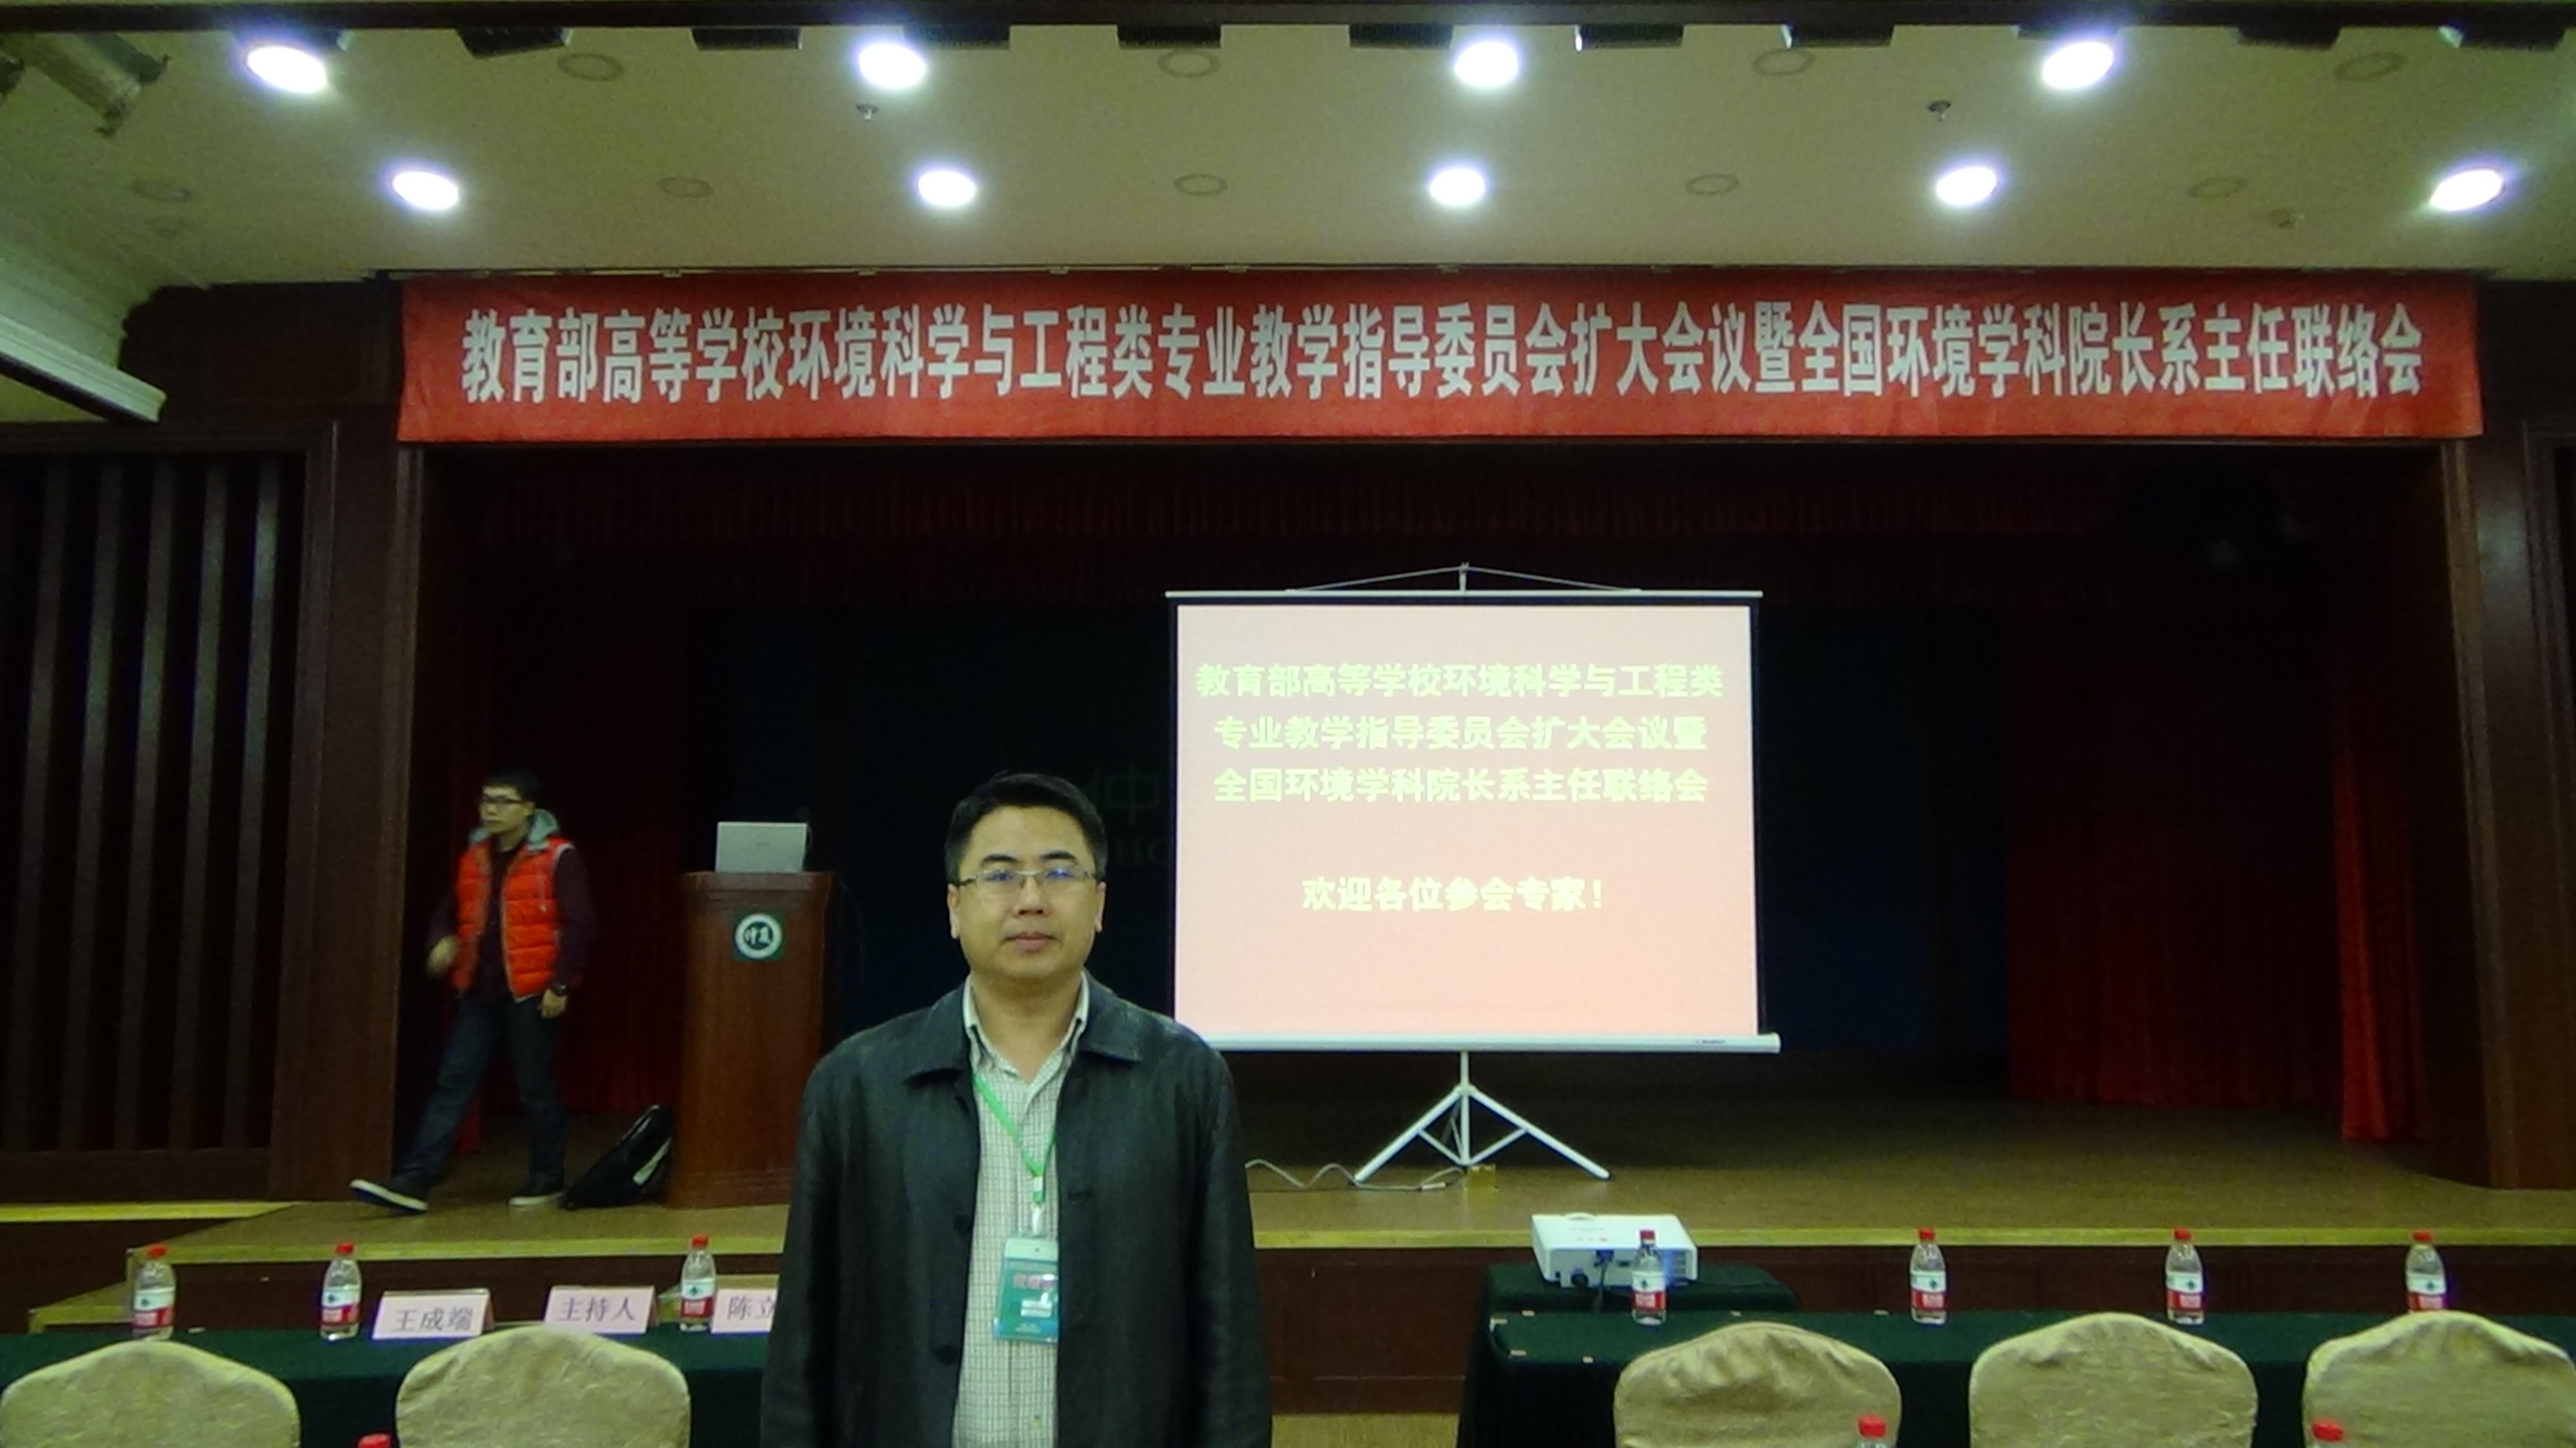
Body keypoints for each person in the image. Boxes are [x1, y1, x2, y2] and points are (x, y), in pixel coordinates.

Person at [764, 772, 1269, 1448]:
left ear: (1099, 903)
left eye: (1059, 873)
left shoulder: (1181, 1077)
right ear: (953, 906)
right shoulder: (858, 1085)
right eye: (1000, 875)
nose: (1031, 899)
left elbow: (1228, 1336)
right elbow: (804, 1336)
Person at [351, 768, 595, 1213]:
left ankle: (547, 1176)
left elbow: (579, 924)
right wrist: (440, 939)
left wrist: (560, 984)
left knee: (535, 1087)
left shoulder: (557, 856)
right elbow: (450, 909)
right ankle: (416, 1178)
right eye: (486, 801)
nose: (492, 810)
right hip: (479, 989)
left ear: (529, 809)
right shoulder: (476, 855)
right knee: (453, 1081)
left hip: (531, 989)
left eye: (503, 802)